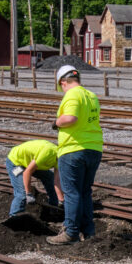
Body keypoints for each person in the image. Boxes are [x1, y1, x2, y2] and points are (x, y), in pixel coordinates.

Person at [47, 65, 102, 245]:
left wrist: (56, 122)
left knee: (71, 192)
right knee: (85, 192)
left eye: (61, 85)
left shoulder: (72, 94)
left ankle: (70, 232)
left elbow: (70, 118)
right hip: (93, 149)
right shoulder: (91, 96)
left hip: (73, 149)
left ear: (63, 81)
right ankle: (89, 232)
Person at [6, 139, 63, 215]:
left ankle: (54, 208)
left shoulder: (60, 159)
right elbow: (27, 172)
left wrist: (61, 199)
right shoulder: (48, 153)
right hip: (16, 162)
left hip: (30, 162)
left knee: (50, 178)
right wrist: (29, 193)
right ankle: (14, 216)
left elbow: (56, 180)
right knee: (22, 193)